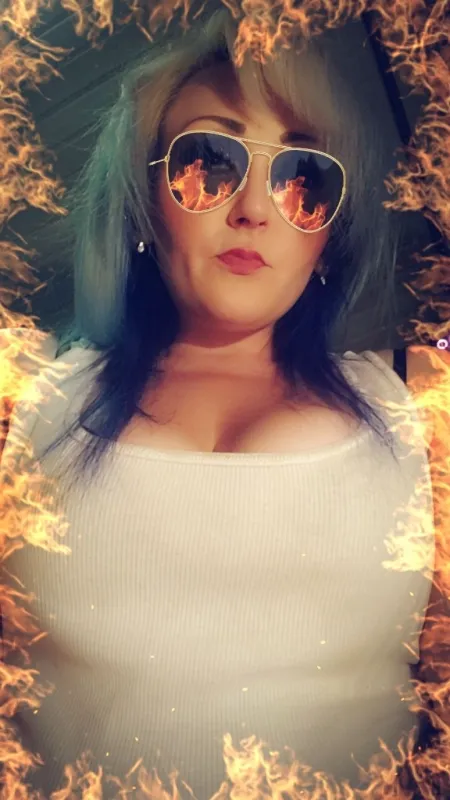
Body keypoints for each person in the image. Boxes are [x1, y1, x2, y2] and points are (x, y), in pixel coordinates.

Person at [1, 7, 438, 798]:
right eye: (209, 160)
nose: (255, 208)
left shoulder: (424, 404)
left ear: (328, 237)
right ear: (144, 198)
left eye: (304, 176)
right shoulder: (25, 399)